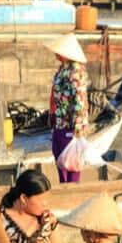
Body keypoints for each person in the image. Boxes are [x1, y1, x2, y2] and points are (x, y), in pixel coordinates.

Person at [47, 33, 90, 184]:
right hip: (60, 122)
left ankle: (72, 191)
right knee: (59, 158)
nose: (56, 53)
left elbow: (80, 102)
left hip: (71, 126)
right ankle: (64, 187)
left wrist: (77, 131)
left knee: (71, 163)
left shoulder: (75, 73)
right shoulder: (62, 70)